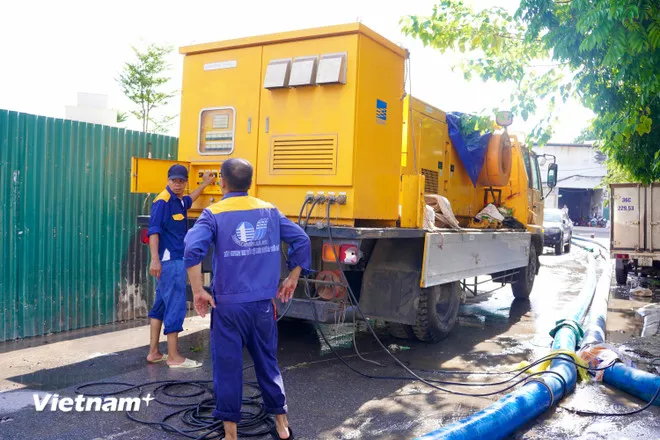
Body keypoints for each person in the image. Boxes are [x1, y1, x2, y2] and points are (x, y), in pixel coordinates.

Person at [184, 158, 311, 440]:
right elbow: (302, 239)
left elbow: (192, 248)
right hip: (263, 306)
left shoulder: (213, 214)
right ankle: (282, 426)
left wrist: (198, 290)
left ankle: (231, 435)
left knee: (228, 369)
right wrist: (293, 277)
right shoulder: (269, 210)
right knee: (268, 364)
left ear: (222, 182)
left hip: (228, 308)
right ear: (250, 183)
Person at [146, 164, 215, 368]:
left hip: (174, 260)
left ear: (185, 182)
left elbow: (190, 199)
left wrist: (205, 184)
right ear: (167, 180)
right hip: (170, 261)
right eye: (174, 180)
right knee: (175, 305)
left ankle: (154, 352)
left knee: (160, 305)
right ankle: (174, 356)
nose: (177, 184)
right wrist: (154, 259)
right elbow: (153, 231)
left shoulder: (179, 200)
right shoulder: (163, 201)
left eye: (181, 181)